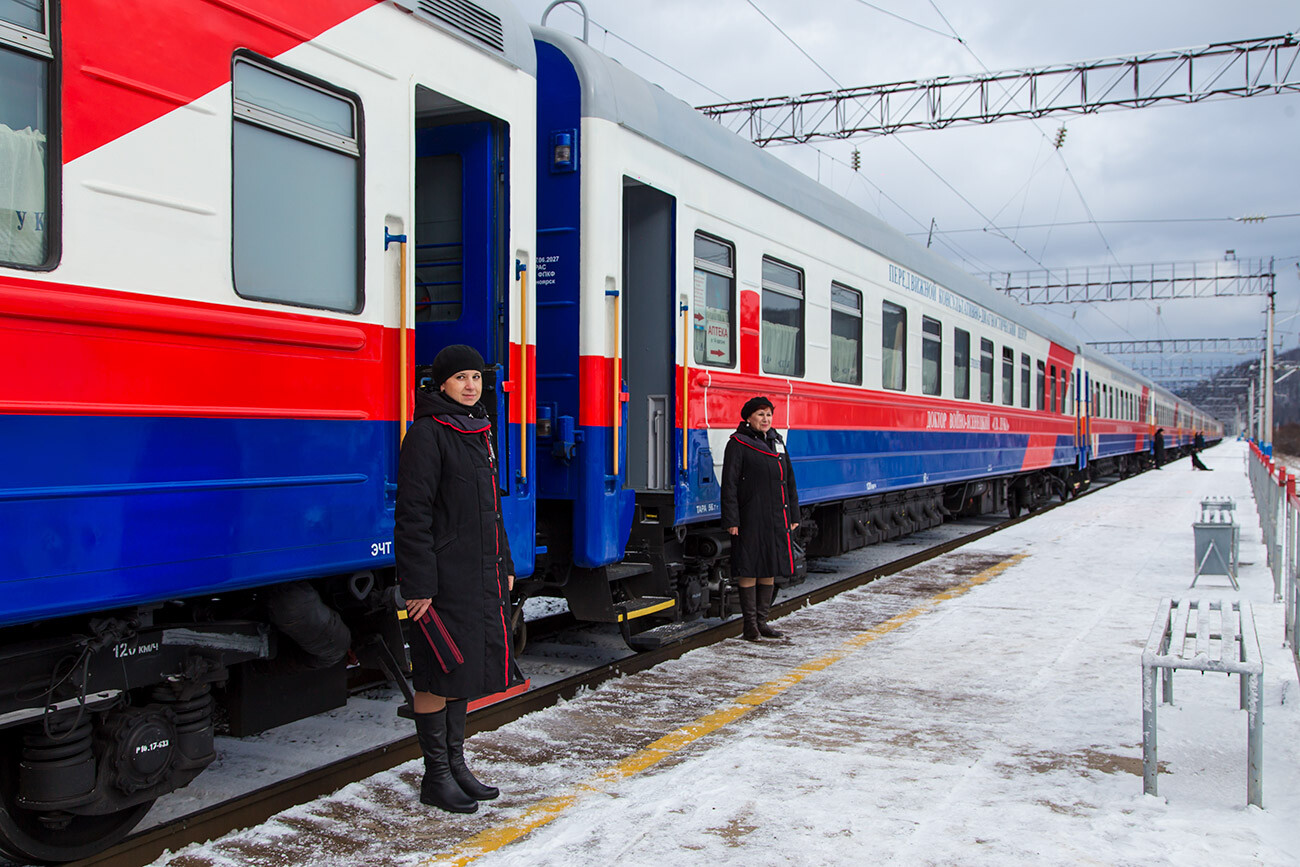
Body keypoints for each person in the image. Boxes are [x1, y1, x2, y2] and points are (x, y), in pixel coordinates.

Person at [395, 344, 514, 814]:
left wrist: (503, 564)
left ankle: (457, 766)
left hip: (477, 571)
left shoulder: (478, 429)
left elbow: (492, 507)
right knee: (435, 672)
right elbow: (412, 515)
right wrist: (418, 585)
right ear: (440, 384)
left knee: (461, 667)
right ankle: (436, 777)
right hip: (442, 578)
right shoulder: (426, 434)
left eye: (477, 378)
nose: (471, 386)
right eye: (461, 378)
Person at [721, 396, 800, 640]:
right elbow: (729, 484)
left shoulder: (777, 441)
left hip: (776, 515)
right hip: (750, 515)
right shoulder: (737, 443)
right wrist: (732, 520)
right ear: (748, 418)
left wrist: (794, 514)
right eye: (760, 415)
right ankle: (750, 626)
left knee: (769, 566)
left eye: (768, 414)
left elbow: (789, 480)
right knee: (750, 568)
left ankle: (762, 622)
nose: (765, 419)